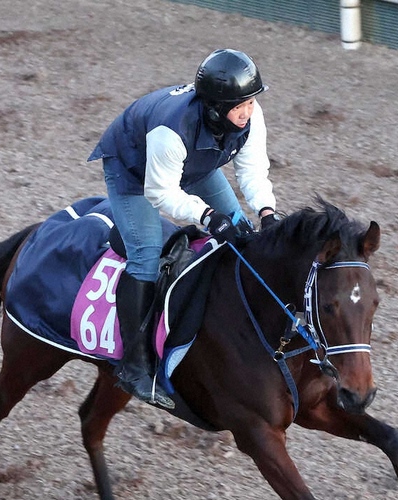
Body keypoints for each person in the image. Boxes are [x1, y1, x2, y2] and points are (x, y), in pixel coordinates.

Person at [88, 48, 279, 410]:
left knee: (240, 231)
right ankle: (134, 364)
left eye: (251, 102)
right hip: (134, 169)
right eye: (240, 107)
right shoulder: (169, 132)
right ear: (213, 108)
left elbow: (252, 170)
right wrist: (206, 215)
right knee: (145, 254)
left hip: (196, 162)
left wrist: (267, 210)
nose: (247, 112)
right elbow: (161, 193)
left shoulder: (248, 114)